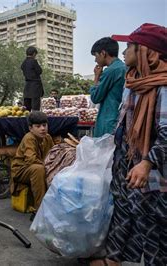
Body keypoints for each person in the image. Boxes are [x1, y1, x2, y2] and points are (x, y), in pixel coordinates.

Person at [104, 23, 167, 266]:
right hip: (128, 170)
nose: (124, 50)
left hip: (153, 179)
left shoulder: (162, 87)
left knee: (155, 241)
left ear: (146, 51)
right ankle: (113, 259)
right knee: (125, 218)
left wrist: (147, 163)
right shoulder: (133, 84)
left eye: (130, 45)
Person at [10, 111, 54, 219]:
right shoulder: (29, 138)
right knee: (38, 169)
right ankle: (40, 210)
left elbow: (54, 154)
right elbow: (31, 160)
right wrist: (47, 166)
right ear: (31, 128)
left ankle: (53, 205)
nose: (42, 128)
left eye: (44, 125)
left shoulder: (47, 137)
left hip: (37, 167)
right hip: (21, 171)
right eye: (38, 126)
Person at [89, 37, 126, 137]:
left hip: (108, 121)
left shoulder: (111, 71)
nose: (95, 60)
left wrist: (96, 77)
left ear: (103, 53)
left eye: (96, 55)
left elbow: (95, 97)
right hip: (119, 119)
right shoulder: (123, 67)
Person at [21, 46, 44, 111]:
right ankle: (35, 120)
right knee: (35, 107)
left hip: (27, 86)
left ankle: (26, 120)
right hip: (35, 86)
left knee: (27, 107)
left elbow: (22, 68)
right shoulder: (34, 62)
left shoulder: (24, 63)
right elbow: (39, 71)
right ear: (34, 53)